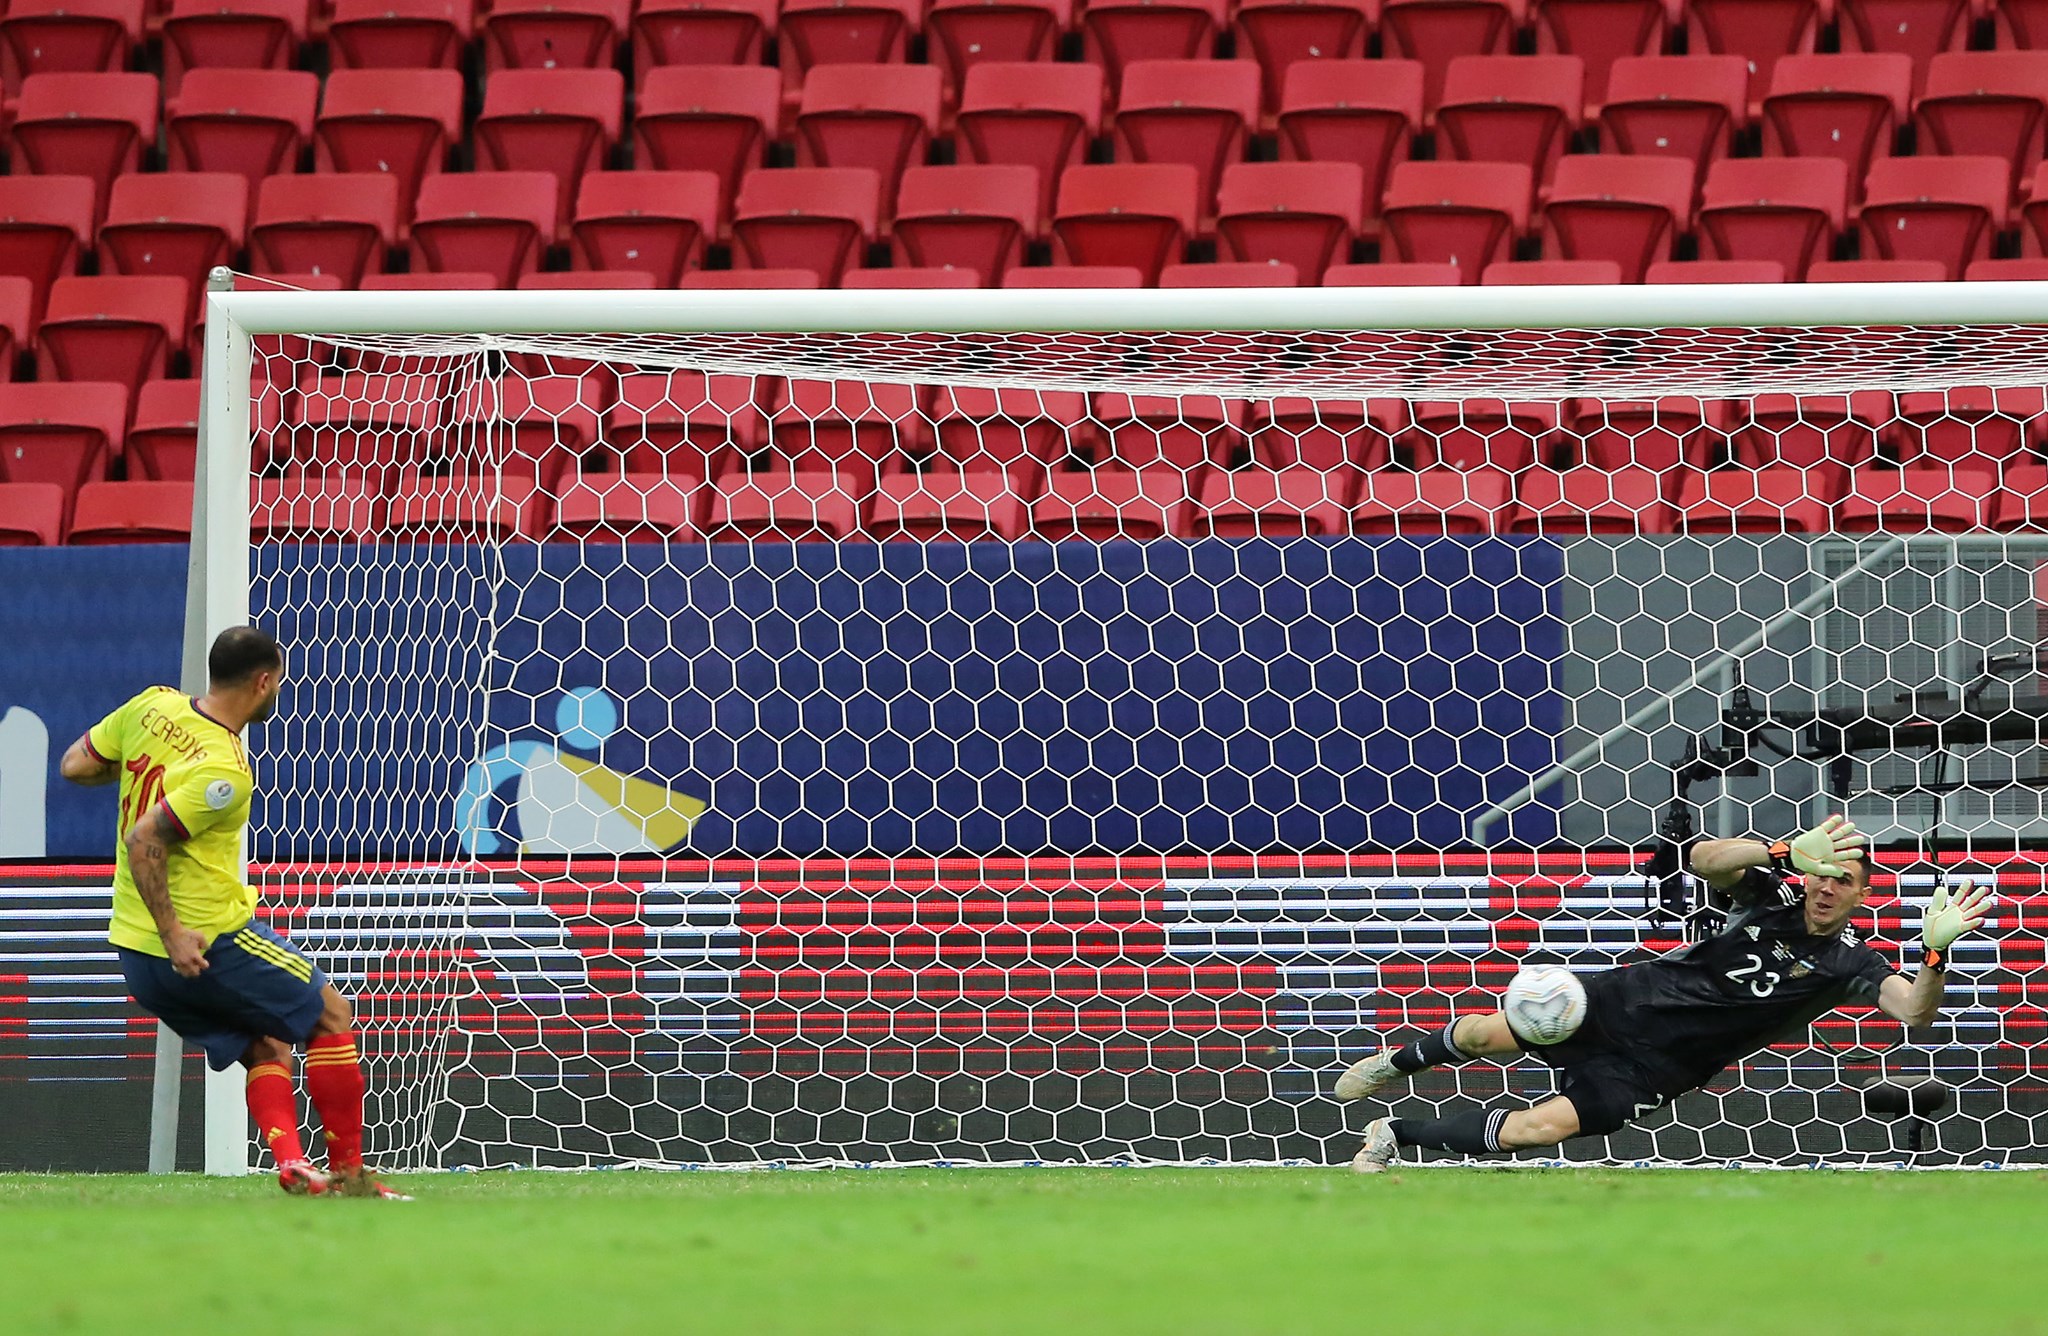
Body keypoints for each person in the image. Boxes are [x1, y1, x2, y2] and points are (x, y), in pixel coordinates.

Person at [1338, 815, 1995, 1172]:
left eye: (1844, 882)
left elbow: (1914, 1008)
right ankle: (1390, 1066)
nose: (1829, 887)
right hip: (1619, 1002)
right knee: (1488, 1033)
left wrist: (1934, 955)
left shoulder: (1850, 963)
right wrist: (1782, 850)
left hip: (1661, 1067)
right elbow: (1704, 859)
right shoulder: (1767, 897)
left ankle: (1395, 1133)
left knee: (1536, 1130)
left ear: (1860, 895)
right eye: (1824, 873)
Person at [59, 626, 407, 1199]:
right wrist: (175, 933)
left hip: (134, 952)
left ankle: (295, 1164)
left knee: (264, 1045)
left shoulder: (152, 704)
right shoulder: (224, 769)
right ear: (263, 682)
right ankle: (352, 1174)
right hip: (203, 941)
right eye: (279, 683)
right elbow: (146, 839)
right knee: (331, 1016)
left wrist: (145, 776)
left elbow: (76, 764)